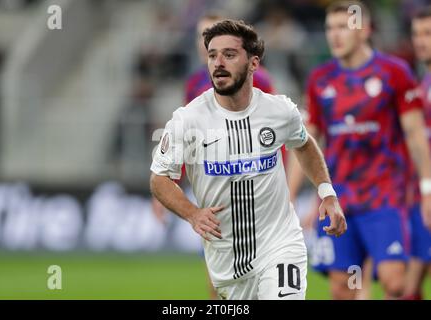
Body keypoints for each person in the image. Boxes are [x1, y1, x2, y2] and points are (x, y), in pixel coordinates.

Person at [150, 19, 347, 300]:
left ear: (253, 63)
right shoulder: (188, 120)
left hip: (281, 245)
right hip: (228, 262)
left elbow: (304, 144)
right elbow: (159, 178)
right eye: (212, 55)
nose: (218, 62)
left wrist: (327, 192)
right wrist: (192, 213)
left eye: (229, 55)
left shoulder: (279, 111)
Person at [289, 1, 431, 299]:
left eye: (343, 27)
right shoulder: (321, 79)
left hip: (385, 196)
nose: (335, 35)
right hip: (338, 199)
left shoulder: (394, 73)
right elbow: (306, 142)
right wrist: (290, 195)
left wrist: (427, 188)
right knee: (343, 288)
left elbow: (415, 136)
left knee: (396, 283)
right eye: (330, 28)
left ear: (364, 30)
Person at [151, 14, 277, 299]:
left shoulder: (259, 79)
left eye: (208, 33)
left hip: (256, 190)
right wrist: (170, 184)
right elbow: (185, 142)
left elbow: (276, 132)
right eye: (200, 35)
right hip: (216, 194)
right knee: (219, 287)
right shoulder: (195, 82)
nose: (204, 41)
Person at [403, 5, 431, 300]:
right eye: (417, 34)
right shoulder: (421, 85)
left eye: (428, 34)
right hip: (420, 200)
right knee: (406, 289)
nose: (421, 41)